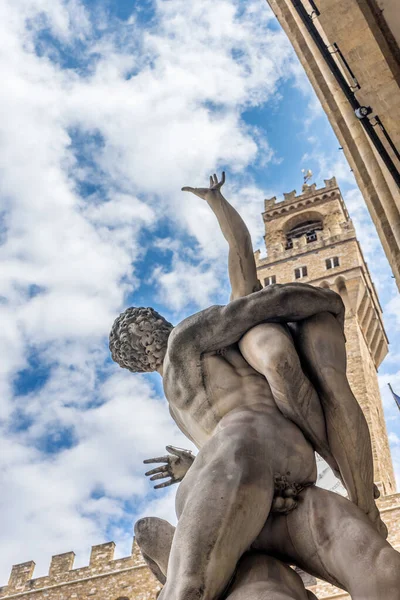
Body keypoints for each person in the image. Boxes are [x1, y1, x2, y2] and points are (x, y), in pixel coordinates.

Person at [109, 173, 399, 600]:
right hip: (274, 471)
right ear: (154, 325)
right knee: (382, 571)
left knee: (190, 588)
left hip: (263, 479)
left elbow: (217, 441)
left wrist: (193, 470)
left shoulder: (179, 397)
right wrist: (219, 205)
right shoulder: (188, 338)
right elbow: (244, 263)